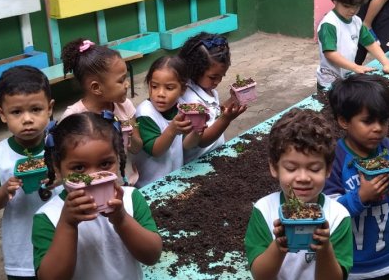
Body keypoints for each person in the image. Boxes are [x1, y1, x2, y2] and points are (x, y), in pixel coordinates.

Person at [32, 112, 162, 279]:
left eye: (105, 164)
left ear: (118, 159)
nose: (93, 177)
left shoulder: (130, 199)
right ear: (58, 169)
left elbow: (152, 256)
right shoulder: (49, 217)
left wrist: (121, 219)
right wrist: (67, 224)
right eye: (79, 168)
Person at [324, 74, 389, 279]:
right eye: (368, 121)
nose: (378, 128)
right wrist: (361, 197)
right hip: (354, 264)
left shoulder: (388, 149)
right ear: (344, 121)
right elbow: (329, 211)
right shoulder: (336, 159)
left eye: (383, 120)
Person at [245, 108, 353, 280]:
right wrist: (279, 245)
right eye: (291, 168)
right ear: (274, 167)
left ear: (328, 169)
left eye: (314, 169)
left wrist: (325, 248)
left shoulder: (338, 217)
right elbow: (261, 275)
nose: (303, 178)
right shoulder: (264, 210)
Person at [0, 66, 57, 279]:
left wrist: (60, 179)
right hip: (22, 250)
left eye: (36, 109)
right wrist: (5, 190)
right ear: (2, 114)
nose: (27, 119)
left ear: (50, 108)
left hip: (62, 240)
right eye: (16, 112)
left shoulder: (61, 146)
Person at [60, 38, 142, 185]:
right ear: (96, 88)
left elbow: (137, 148)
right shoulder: (73, 117)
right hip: (90, 189)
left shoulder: (125, 106)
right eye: (121, 80)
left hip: (126, 184)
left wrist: (130, 136)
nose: (127, 84)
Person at [317, 0, 389, 89]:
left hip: (347, 76)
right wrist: (356, 67)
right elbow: (330, 54)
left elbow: (371, 43)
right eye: (346, 6)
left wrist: (387, 64)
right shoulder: (329, 23)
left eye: (356, 6)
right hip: (329, 81)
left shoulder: (356, 21)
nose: (352, 11)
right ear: (335, 0)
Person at [176, 33, 247, 163]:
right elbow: (202, 140)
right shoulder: (190, 100)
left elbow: (214, 113)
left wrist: (232, 100)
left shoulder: (208, 90)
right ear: (195, 70)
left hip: (214, 156)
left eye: (222, 76)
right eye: (213, 77)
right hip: (198, 163)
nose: (218, 81)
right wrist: (226, 119)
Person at [134, 56, 199, 186]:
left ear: (183, 89)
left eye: (169, 88)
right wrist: (172, 129)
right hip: (150, 184)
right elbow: (156, 150)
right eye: (154, 86)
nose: (160, 94)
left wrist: (198, 130)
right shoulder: (145, 113)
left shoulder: (182, 107)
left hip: (175, 179)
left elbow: (187, 145)